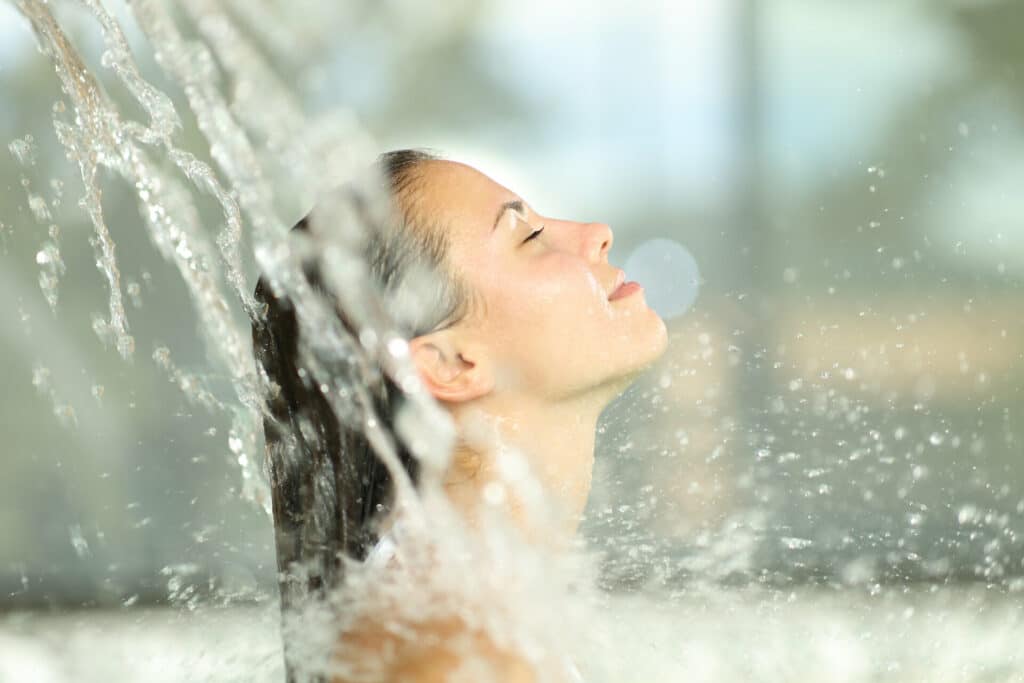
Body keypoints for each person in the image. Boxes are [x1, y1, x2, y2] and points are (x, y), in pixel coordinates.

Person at [252, 149, 668, 682]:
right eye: (530, 237)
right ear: (448, 363)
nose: (597, 233)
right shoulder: (456, 655)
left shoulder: (465, 618)